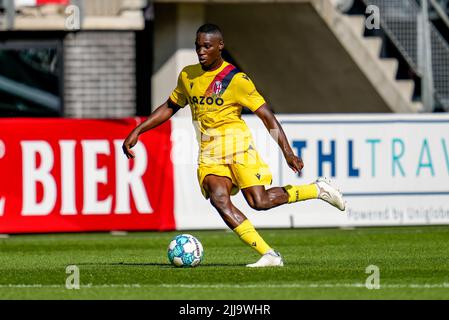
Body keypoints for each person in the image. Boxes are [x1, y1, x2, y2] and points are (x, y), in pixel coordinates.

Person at [122, 23, 346, 268]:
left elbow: (266, 116)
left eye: (207, 46)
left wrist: (288, 152)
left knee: (259, 202)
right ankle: (269, 255)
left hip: (239, 148)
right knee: (219, 199)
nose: (201, 51)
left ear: (220, 46)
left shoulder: (237, 80)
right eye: (198, 46)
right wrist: (138, 130)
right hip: (209, 153)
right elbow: (169, 107)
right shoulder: (188, 75)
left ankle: (316, 189)